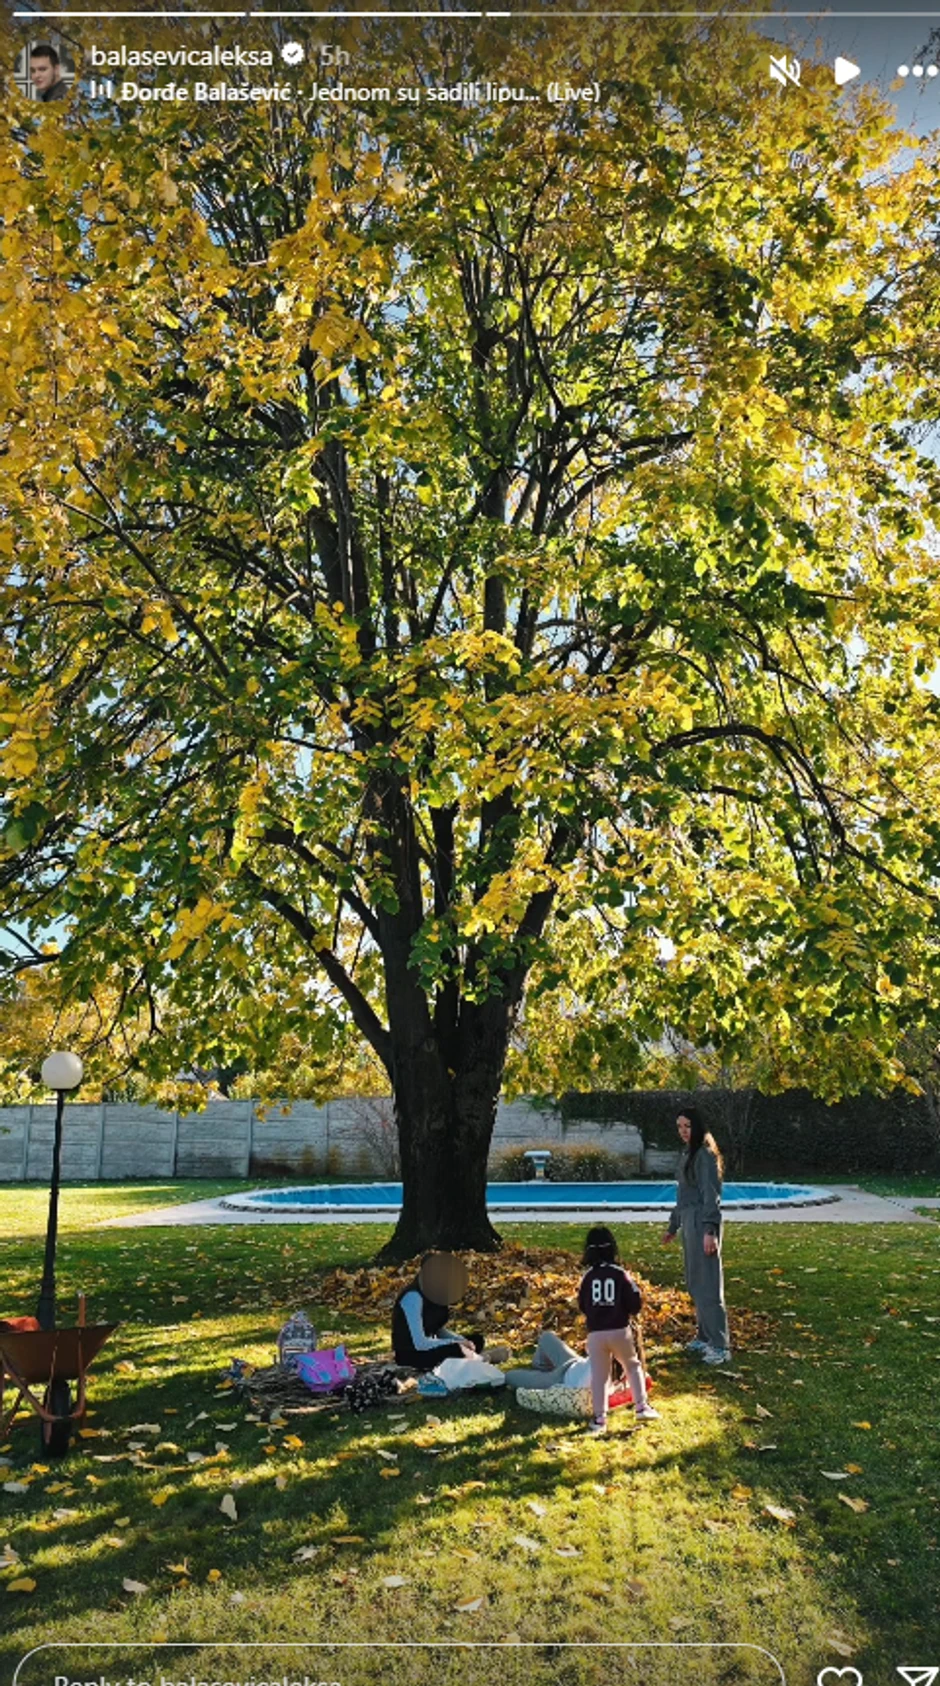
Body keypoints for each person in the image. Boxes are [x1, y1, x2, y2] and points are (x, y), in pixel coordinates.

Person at [662, 1106, 732, 1365]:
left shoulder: (704, 1155)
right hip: (690, 1223)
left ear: (698, 1126)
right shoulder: (688, 1154)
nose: (683, 1131)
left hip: (703, 1224)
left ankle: (720, 1346)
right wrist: (673, 1226)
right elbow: (684, 1196)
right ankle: (704, 1338)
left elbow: (710, 1195)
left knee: (709, 1285)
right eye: (679, 1126)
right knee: (695, 1282)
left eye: (687, 1126)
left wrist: (710, 1231)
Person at [578, 1225, 660, 1434]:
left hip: (595, 1333)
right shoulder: (620, 1274)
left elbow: (582, 1304)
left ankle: (599, 1419)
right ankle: (642, 1406)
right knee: (632, 1366)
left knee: (600, 1375)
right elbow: (635, 1300)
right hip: (619, 1330)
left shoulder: (587, 1277)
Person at [391, 1251, 481, 1372]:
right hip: (411, 1354)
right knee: (456, 1349)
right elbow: (420, 1343)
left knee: (476, 1340)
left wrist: (462, 1340)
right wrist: (456, 1344)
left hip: (430, 1347)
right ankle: (482, 1359)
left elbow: (438, 1330)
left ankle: (471, 1357)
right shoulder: (412, 1297)